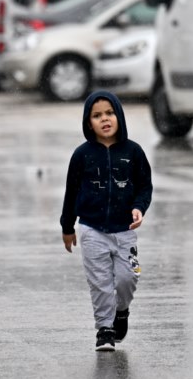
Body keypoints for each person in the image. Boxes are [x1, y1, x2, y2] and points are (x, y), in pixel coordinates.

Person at [60, 90, 152, 352]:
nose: (105, 119)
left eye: (110, 113)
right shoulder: (82, 155)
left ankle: (121, 312)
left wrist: (138, 208)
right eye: (97, 115)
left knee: (129, 277)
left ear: (119, 116)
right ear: (89, 123)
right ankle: (104, 330)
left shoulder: (133, 152)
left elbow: (145, 187)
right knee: (99, 282)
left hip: (125, 231)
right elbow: (71, 192)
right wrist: (67, 227)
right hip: (91, 230)